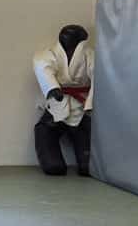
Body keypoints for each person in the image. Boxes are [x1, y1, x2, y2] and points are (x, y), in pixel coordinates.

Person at [34, 23, 95, 177]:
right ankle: (52, 161)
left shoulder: (90, 55)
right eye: (65, 36)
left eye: (71, 37)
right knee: (52, 163)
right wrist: (52, 87)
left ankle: (85, 162)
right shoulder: (48, 54)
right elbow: (42, 66)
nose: (67, 39)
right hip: (57, 104)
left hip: (81, 106)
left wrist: (90, 104)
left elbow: (98, 78)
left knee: (87, 167)